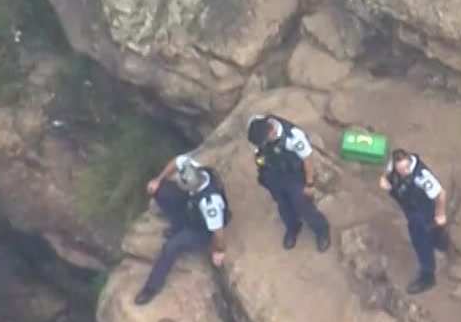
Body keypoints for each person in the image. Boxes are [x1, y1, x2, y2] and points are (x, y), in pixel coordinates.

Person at [134, 155, 230, 305]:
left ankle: (151, 288)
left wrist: (219, 250)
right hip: (193, 208)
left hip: (202, 230)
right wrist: (158, 180)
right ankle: (178, 226)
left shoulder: (209, 203)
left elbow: (218, 232)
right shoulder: (194, 171)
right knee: (160, 190)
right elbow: (177, 161)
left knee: (171, 246)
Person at [245, 114, 331, 253]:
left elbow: (307, 159)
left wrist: (309, 185)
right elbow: (258, 152)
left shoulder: (293, 137)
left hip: (294, 175)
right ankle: (293, 228)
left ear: (272, 131)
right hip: (273, 172)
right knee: (283, 205)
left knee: (303, 205)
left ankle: (321, 230)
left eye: (264, 141)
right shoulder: (256, 124)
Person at [378, 148, 448, 294]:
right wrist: (384, 179)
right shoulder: (394, 163)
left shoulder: (422, 176)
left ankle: (428, 275)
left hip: (423, 209)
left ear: (410, 161)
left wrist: (440, 214)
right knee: (431, 232)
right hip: (409, 206)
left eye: (406, 167)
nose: (404, 171)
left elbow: (441, 194)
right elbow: (388, 171)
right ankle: (440, 242)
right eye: (400, 169)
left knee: (421, 240)